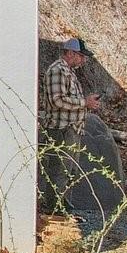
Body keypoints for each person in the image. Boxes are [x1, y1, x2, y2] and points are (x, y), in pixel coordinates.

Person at [39, 37, 102, 209]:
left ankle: (61, 208)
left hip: (71, 129)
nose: (83, 60)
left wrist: (86, 103)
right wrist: (84, 103)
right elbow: (56, 101)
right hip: (62, 130)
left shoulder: (68, 72)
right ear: (71, 53)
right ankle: (54, 209)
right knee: (60, 171)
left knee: (68, 172)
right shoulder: (57, 70)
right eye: (81, 56)